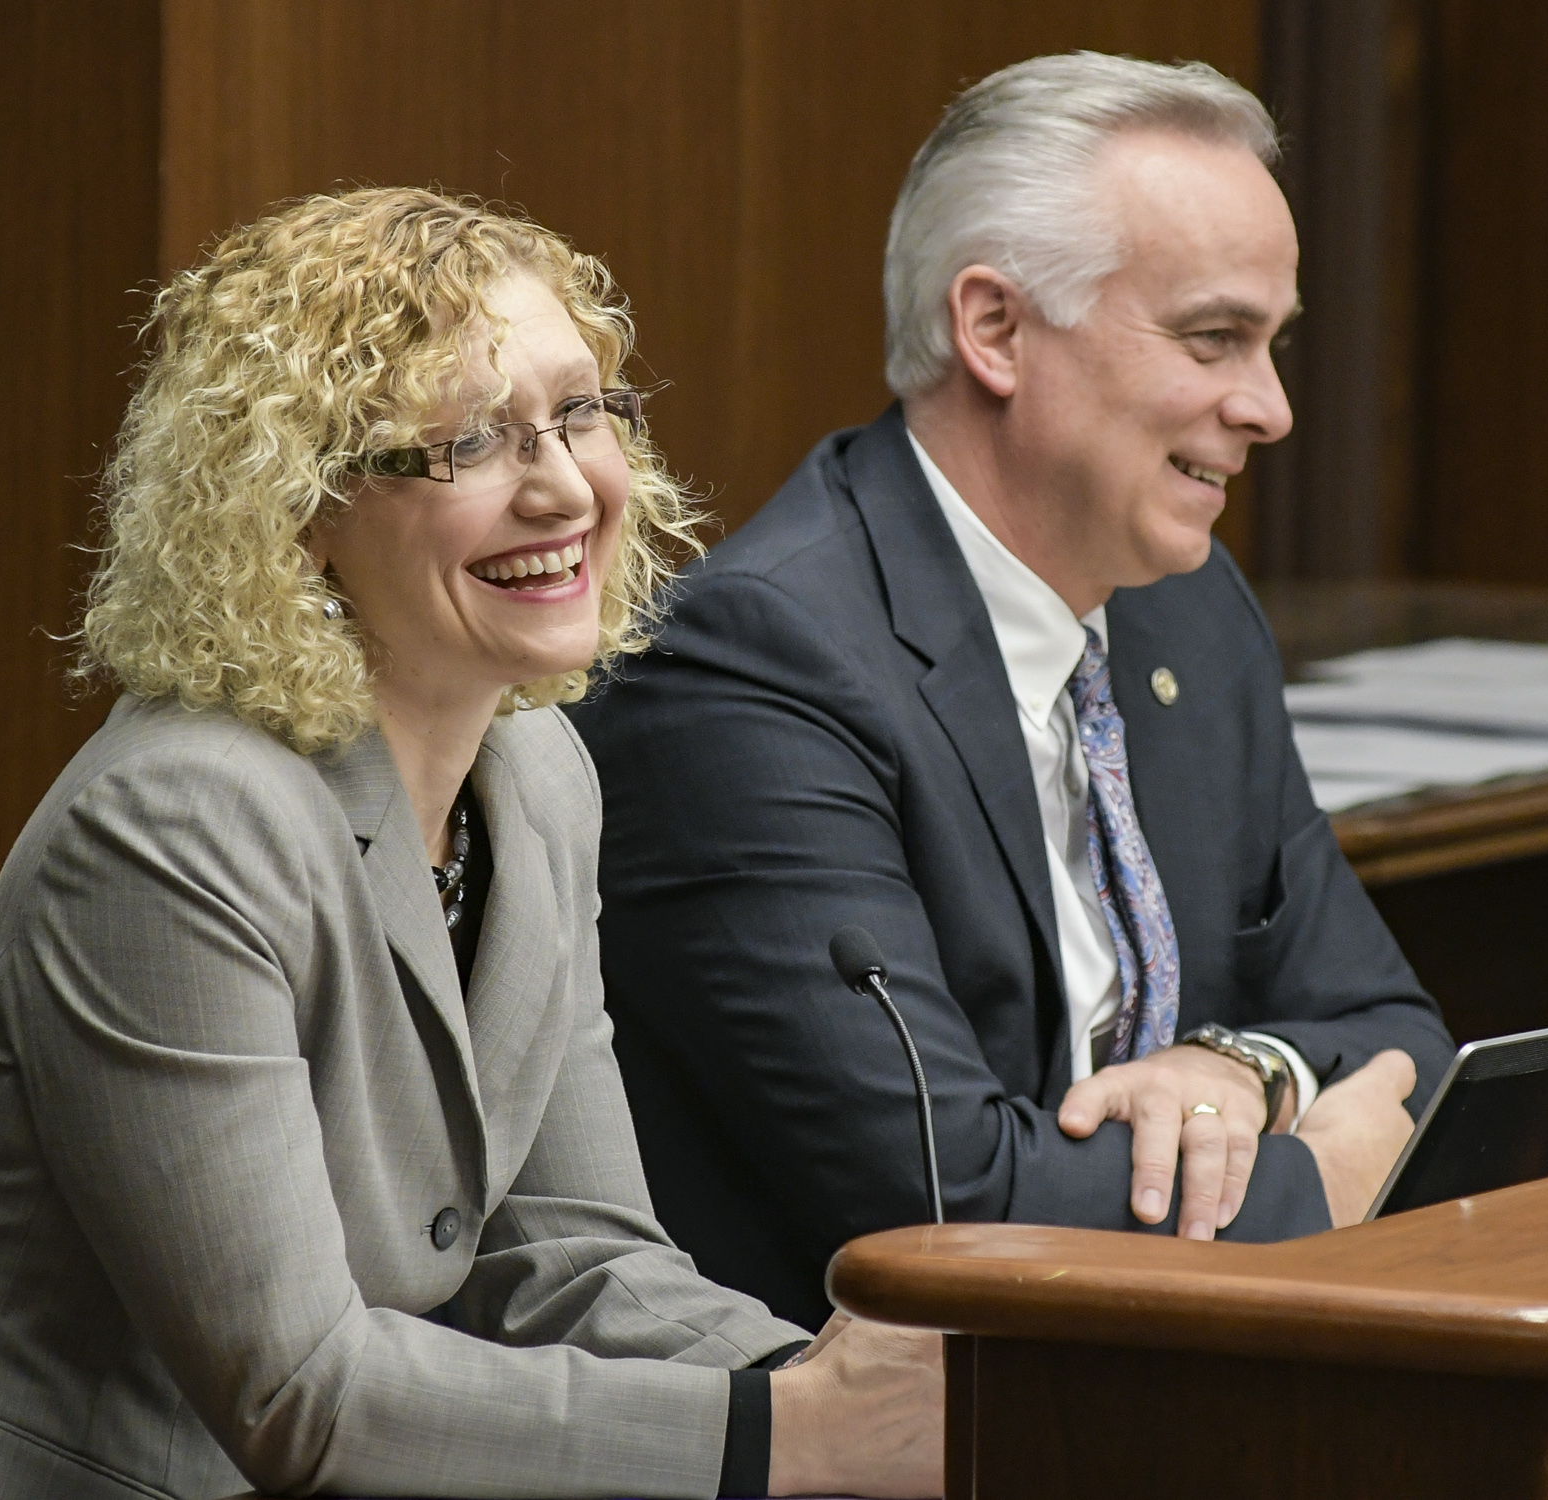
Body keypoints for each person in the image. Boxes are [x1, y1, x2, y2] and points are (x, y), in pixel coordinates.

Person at [0, 190, 940, 1500]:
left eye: (580, 411)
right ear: (304, 506)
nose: (561, 487)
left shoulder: (539, 772)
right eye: (470, 441)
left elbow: (574, 1260)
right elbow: (298, 1391)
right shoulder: (180, 825)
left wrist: (854, 1393)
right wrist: (795, 1439)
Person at [571, 53, 1456, 1330]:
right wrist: (1318, 1176)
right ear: (995, 329)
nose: (1268, 408)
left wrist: (1241, 1070)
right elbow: (944, 1203)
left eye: (1273, 344)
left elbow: (1394, 1030)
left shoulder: (1188, 613)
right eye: (1215, 337)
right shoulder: (757, 666)